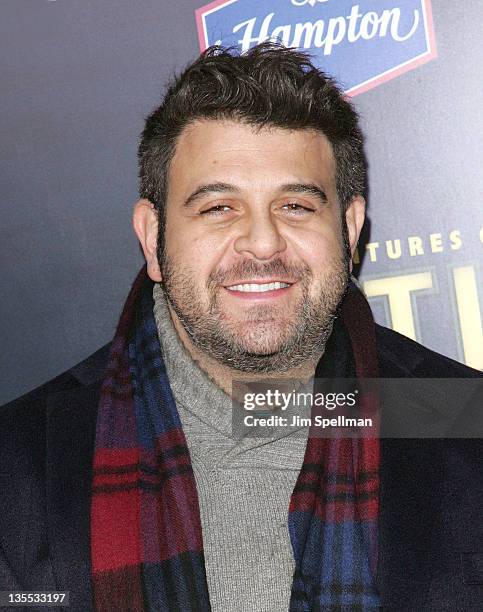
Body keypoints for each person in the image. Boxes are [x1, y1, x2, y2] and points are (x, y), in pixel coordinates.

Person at [0, 43, 481, 612]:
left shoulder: (464, 423)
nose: (262, 242)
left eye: (296, 206)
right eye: (217, 208)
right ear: (153, 237)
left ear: (350, 231)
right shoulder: (19, 462)